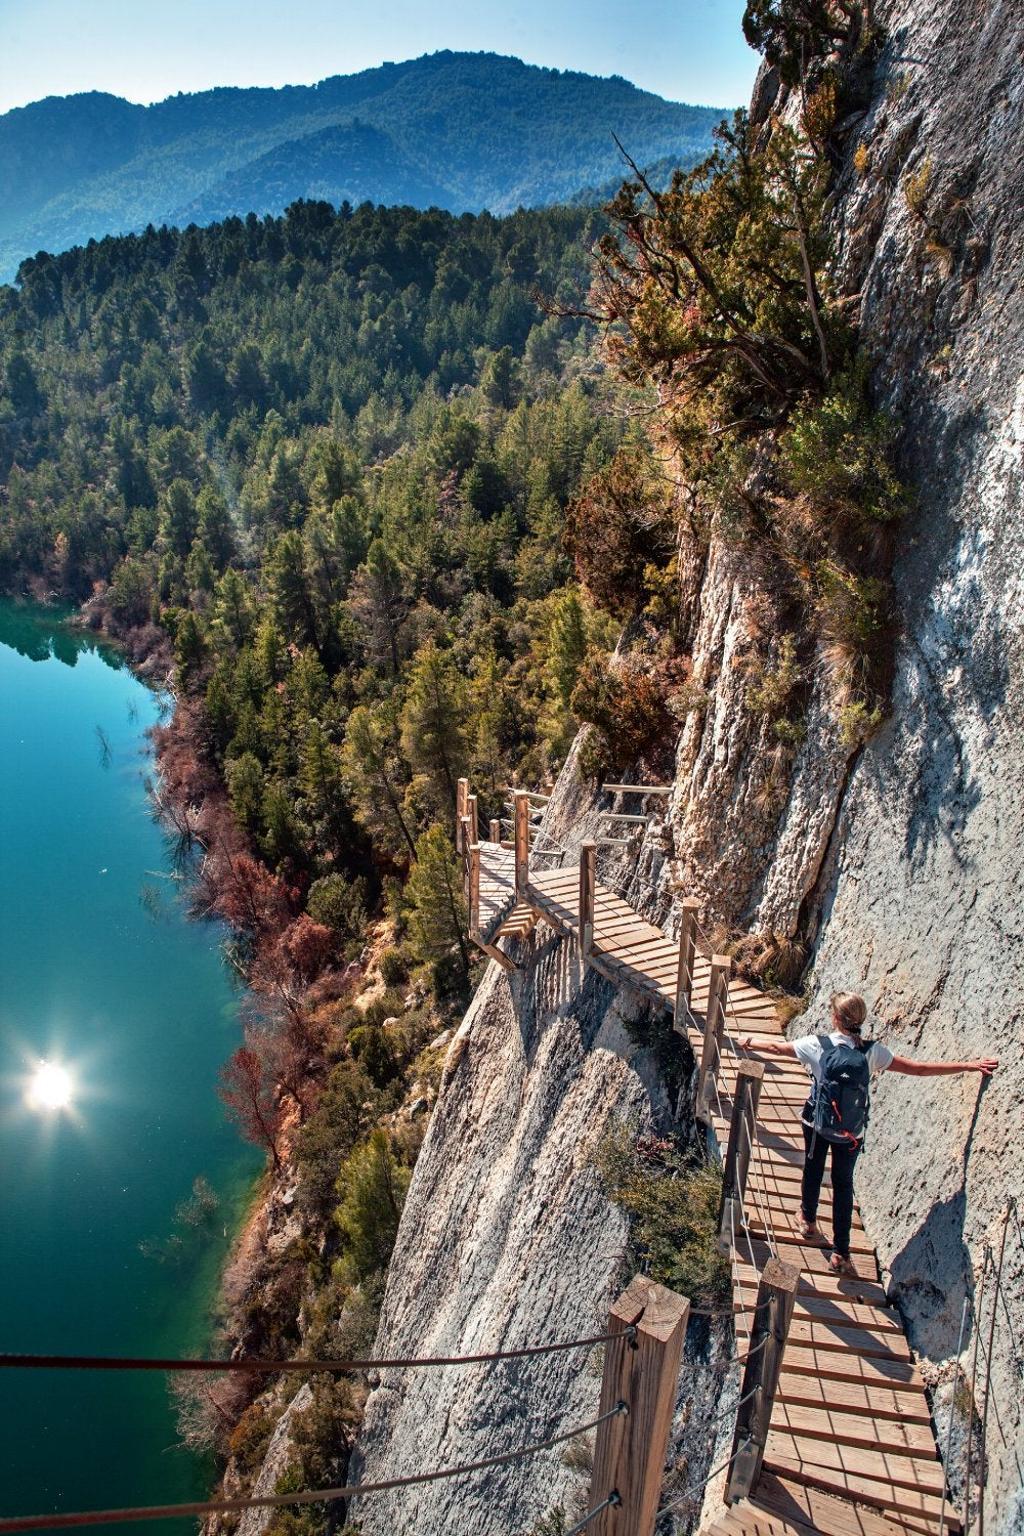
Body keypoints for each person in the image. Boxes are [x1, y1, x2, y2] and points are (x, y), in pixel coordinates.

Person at [741, 992, 997, 1275]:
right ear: (860, 1020)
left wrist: (749, 1041)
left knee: (813, 1169)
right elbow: (919, 1069)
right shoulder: (873, 1052)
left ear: (835, 1019)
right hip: (852, 1132)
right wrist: (968, 1066)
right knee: (843, 1184)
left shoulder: (819, 1045)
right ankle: (841, 1253)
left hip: (817, 1124)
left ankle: (807, 1220)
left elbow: (779, 1048)